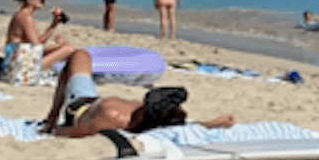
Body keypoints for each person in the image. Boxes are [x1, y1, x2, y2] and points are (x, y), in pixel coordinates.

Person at [40, 50, 233, 138]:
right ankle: (52, 112)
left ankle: (53, 113)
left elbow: (74, 131)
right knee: (80, 56)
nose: (182, 111)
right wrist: (213, 123)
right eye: (177, 108)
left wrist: (53, 129)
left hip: (80, 107)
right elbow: (181, 127)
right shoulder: (149, 118)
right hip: (91, 103)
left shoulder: (116, 118)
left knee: (79, 56)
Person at [5, 0, 77, 80]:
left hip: (21, 59)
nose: (42, 0)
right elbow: (37, 46)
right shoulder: (25, 17)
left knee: (66, 47)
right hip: (19, 66)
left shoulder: (25, 15)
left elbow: (39, 41)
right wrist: (60, 46)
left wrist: (54, 24)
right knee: (69, 49)